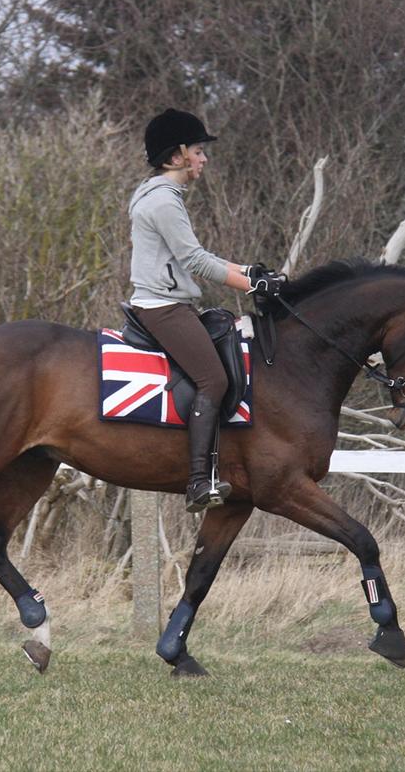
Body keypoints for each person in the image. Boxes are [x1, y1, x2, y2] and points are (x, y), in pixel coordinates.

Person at [128, 108, 284, 513]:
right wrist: (252, 285)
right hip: (163, 307)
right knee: (213, 380)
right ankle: (200, 480)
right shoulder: (164, 201)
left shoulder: (162, 195)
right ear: (177, 155)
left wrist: (249, 271)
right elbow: (196, 263)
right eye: (198, 150)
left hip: (169, 301)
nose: (204, 158)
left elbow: (199, 256)